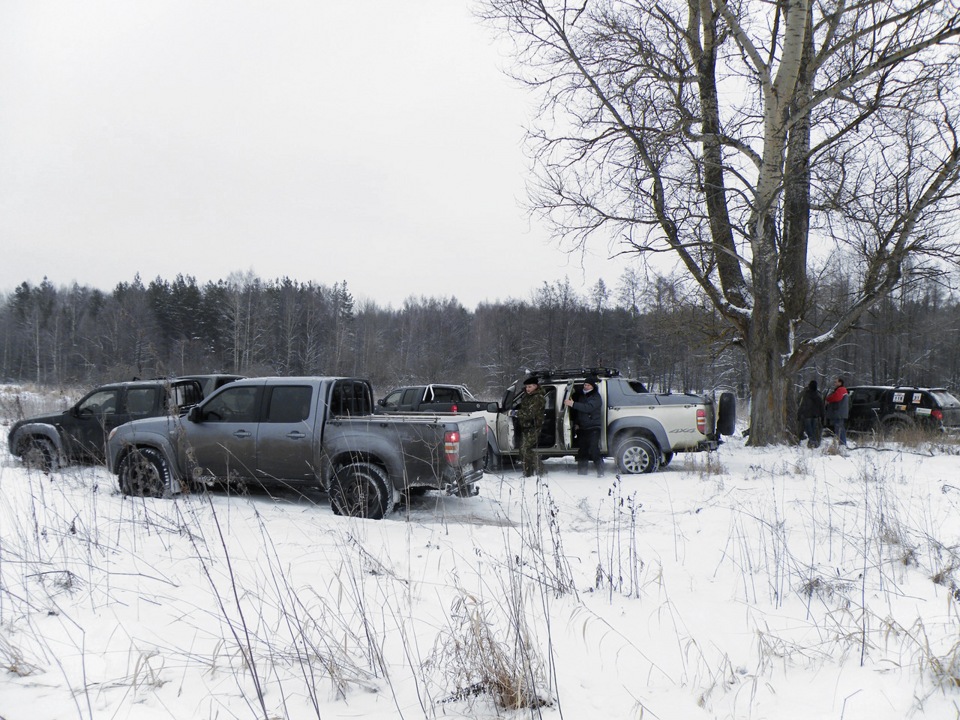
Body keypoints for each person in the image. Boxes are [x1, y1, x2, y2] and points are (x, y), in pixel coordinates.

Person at [565, 376, 604, 476]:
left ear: (592, 386)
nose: (586, 387)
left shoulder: (596, 397)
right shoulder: (582, 396)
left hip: (594, 427)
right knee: (582, 450)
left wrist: (573, 404)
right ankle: (582, 472)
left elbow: (588, 408)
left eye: (588, 385)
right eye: (585, 385)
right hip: (582, 428)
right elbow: (580, 412)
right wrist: (577, 423)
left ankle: (600, 471)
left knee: (594, 449)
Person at [514, 376, 547, 477]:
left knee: (525, 449)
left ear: (536, 386)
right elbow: (524, 407)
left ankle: (541, 469)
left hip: (534, 426)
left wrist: (515, 413)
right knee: (522, 450)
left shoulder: (538, 397)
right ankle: (527, 474)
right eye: (527, 387)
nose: (528, 388)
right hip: (526, 426)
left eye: (530, 386)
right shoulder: (527, 396)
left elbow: (530, 413)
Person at [796, 379, 823, 448]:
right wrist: (822, 414)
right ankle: (813, 441)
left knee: (809, 430)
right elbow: (821, 405)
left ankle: (812, 441)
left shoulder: (806, 394)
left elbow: (802, 405)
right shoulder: (818, 395)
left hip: (807, 415)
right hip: (816, 415)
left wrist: (799, 414)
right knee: (813, 429)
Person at [824, 377, 849, 446]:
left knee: (839, 428)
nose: (835, 383)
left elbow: (836, 397)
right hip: (839, 412)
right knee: (839, 428)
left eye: (836, 382)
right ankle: (842, 443)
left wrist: (828, 399)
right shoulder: (841, 390)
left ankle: (842, 443)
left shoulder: (841, 390)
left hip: (839, 412)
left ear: (840, 383)